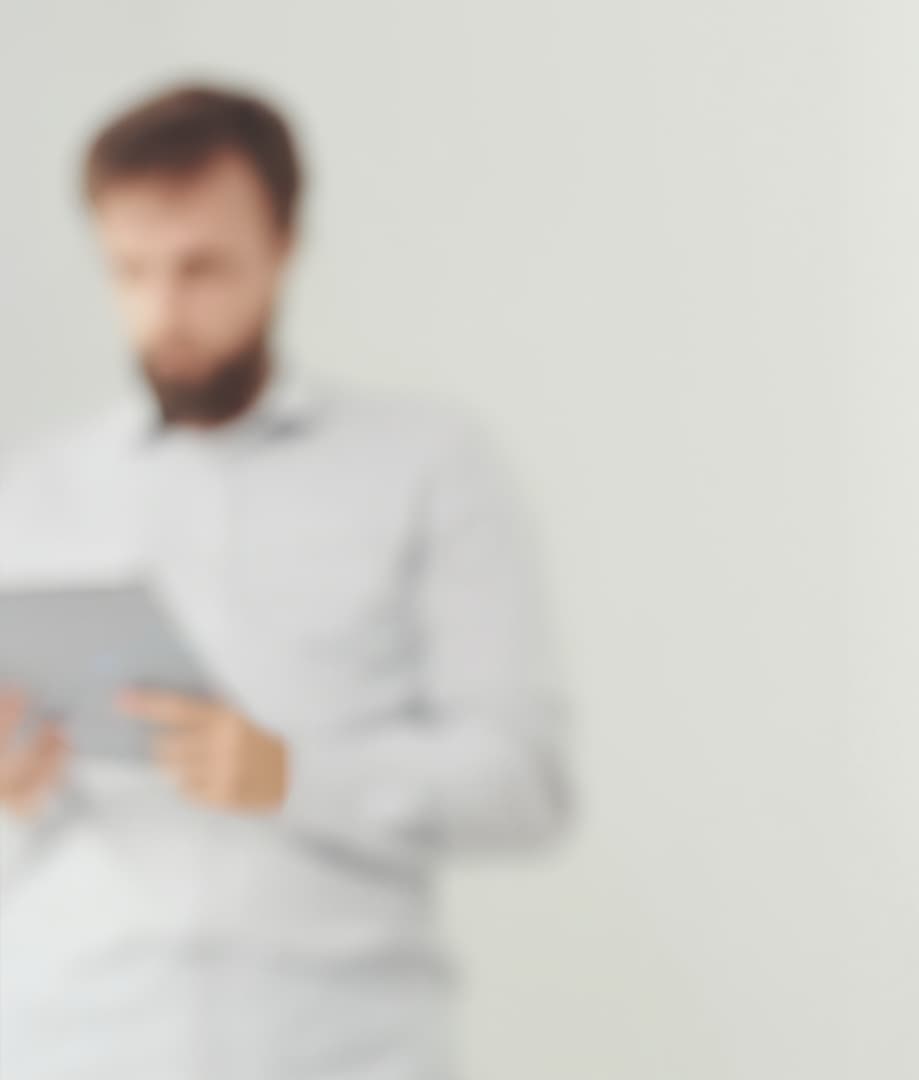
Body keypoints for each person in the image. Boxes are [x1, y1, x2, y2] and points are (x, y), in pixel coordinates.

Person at [0, 83, 570, 1080]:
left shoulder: (427, 467)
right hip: (76, 1036)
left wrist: (300, 779)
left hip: (340, 1043)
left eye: (202, 268)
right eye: (130, 271)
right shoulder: (30, 496)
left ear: (285, 246)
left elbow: (524, 788)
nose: (163, 311)